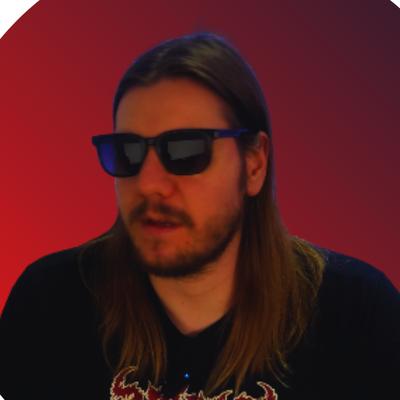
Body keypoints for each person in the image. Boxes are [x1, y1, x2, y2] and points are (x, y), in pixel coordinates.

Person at [0, 32, 399, 400]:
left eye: (187, 150)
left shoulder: (357, 317)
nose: (149, 183)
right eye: (128, 152)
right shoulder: (49, 306)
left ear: (254, 164)